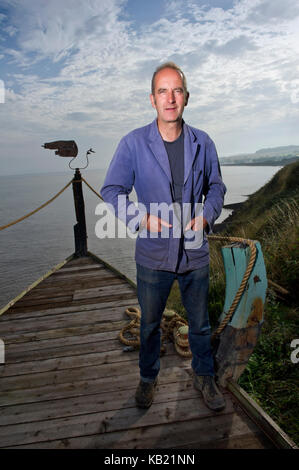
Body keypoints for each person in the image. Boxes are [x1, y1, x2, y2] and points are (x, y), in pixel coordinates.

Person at [101, 62, 226, 412]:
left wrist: (207, 214)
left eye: (177, 90)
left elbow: (216, 187)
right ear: (152, 99)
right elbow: (112, 190)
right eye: (162, 91)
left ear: (186, 97)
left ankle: (204, 375)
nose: (170, 98)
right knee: (151, 325)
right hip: (153, 255)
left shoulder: (204, 142)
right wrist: (140, 217)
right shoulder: (133, 143)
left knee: (200, 325)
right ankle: (147, 378)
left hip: (195, 253)